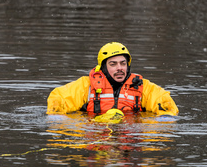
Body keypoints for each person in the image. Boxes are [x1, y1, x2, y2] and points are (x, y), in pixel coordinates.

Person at [46, 42, 179, 117]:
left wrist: (163, 121)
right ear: (103, 67)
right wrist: (58, 118)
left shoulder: (144, 87)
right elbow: (58, 97)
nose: (119, 68)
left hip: (130, 136)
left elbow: (165, 103)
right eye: (113, 64)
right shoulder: (85, 85)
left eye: (123, 63)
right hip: (95, 133)